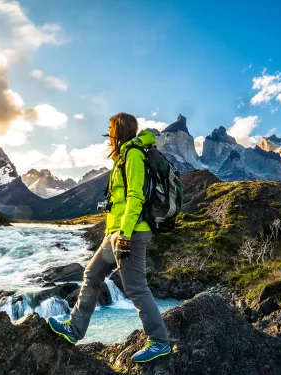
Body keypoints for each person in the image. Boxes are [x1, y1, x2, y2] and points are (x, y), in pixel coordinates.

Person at [47, 113, 171, 363]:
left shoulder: (134, 155)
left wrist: (124, 235)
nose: (108, 135)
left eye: (111, 129)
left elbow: (135, 197)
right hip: (115, 233)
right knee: (92, 274)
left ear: (119, 130)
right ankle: (74, 328)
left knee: (135, 287)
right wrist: (113, 233)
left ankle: (159, 341)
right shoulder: (123, 155)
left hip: (131, 232)